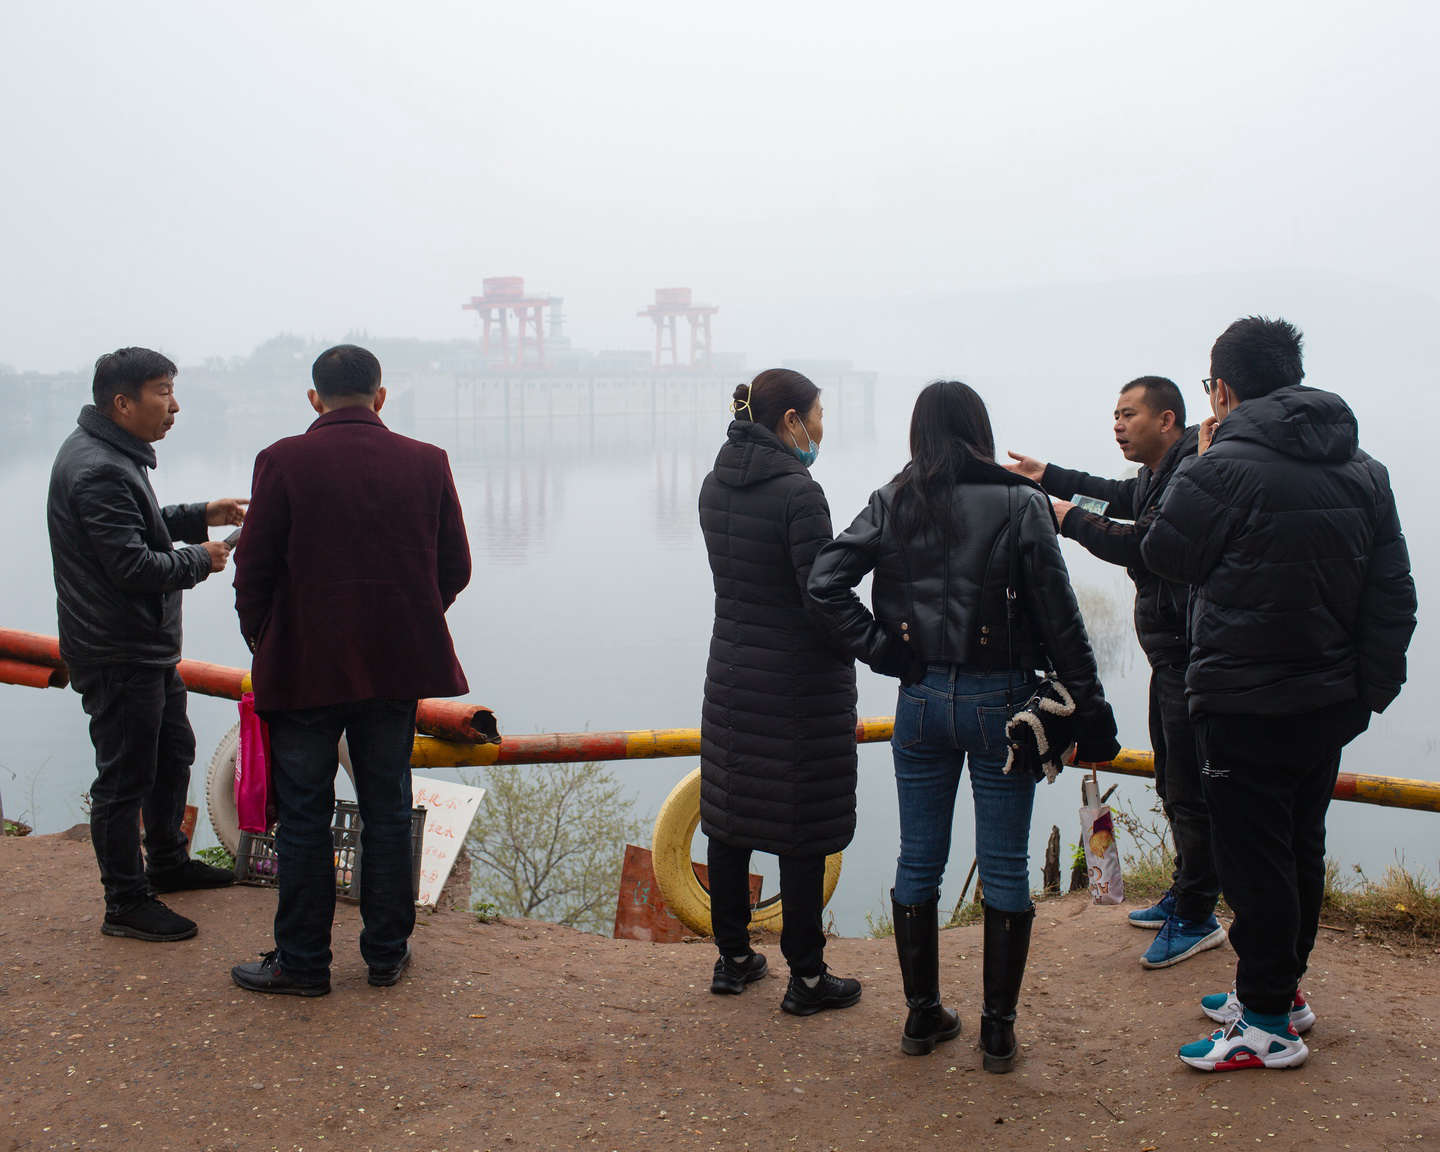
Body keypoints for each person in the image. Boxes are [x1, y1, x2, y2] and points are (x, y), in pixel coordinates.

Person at [809, 380, 1119, 1071]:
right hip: (1004, 707)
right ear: (980, 431)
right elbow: (1063, 620)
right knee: (1005, 865)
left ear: (920, 433)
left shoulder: (894, 500)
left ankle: (922, 1018)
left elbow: (824, 583)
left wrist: (888, 652)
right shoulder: (1021, 502)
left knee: (917, 858)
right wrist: (1090, 710)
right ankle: (997, 1033)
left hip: (920, 703)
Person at [1141, 317, 1415, 1071]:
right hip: (1325, 705)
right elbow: (1394, 594)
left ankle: (1265, 1023)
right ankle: (1280, 993)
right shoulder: (1364, 467)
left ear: (1222, 389)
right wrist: (1366, 696)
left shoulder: (1222, 465)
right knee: (1299, 845)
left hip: (1242, 702)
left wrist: (1199, 462)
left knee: (1254, 862)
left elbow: (1165, 552)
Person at [230, 344, 471, 996]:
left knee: (305, 815)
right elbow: (455, 570)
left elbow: (251, 573)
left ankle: (303, 964)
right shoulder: (427, 462)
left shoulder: (282, 461)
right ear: (381, 396)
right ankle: (386, 954)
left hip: (304, 668)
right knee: (387, 806)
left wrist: (268, 638)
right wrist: (404, 619)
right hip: (394, 669)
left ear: (315, 399)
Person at [1006, 377, 1224, 970]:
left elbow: (1142, 544)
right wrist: (1048, 474)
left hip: (1189, 657)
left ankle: (1199, 913)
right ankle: (1188, 890)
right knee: (1173, 782)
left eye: (1129, 414)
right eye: (1115, 414)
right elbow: (1115, 499)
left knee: (1190, 788)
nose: (1117, 425)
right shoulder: (1160, 474)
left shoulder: (1190, 473)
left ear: (1168, 419)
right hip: (1169, 657)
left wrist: (1066, 517)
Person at [46, 347, 244, 942]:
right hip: (118, 651)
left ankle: (167, 861)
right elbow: (132, 564)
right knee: (125, 775)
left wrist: (199, 515)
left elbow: (139, 520)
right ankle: (126, 903)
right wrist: (199, 560)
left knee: (171, 754)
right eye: (162, 392)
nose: (174, 405)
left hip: (142, 646)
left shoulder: (105, 455)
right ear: (122, 402)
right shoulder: (99, 467)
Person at [698, 368, 864, 1016]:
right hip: (798, 686)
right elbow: (819, 597)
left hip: (734, 673)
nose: (822, 427)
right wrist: (874, 643)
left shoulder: (715, 484)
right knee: (801, 827)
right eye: (818, 414)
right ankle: (809, 977)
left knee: (733, 816)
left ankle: (733, 958)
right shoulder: (801, 493)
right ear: (791, 420)